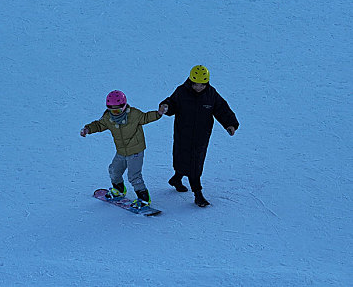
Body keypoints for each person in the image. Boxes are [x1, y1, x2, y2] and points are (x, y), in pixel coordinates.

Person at [159, 65, 239, 207]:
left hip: (201, 137)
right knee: (182, 158)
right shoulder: (182, 92)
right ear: (190, 81)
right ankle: (193, 191)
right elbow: (172, 103)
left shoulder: (211, 94)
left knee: (195, 164)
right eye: (195, 84)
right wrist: (166, 106)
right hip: (183, 134)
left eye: (201, 85)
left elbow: (222, 108)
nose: (198, 87)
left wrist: (230, 123)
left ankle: (185, 185)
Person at [81, 90, 168, 208]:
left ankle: (144, 198)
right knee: (114, 170)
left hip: (135, 151)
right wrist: (88, 129)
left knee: (134, 176)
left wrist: (158, 113)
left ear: (124, 106)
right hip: (121, 151)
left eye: (117, 110)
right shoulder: (108, 118)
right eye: (112, 110)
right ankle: (119, 189)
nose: (115, 113)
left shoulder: (134, 114)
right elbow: (99, 125)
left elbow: (146, 117)